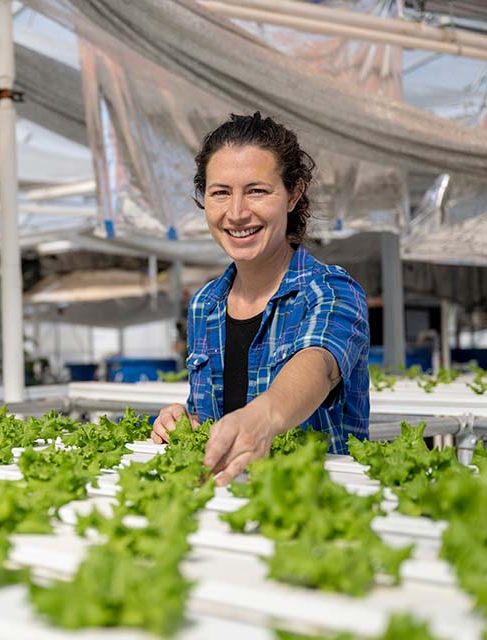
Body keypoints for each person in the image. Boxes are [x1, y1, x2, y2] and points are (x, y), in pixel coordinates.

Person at [150, 112, 369, 486]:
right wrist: (184, 423)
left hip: (319, 509)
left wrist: (263, 416)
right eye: (221, 193)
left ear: (292, 195)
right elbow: (219, 417)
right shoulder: (206, 304)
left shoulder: (330, 290)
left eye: (257, 191)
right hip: (231, 508)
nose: (236, 214)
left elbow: (317, 366)